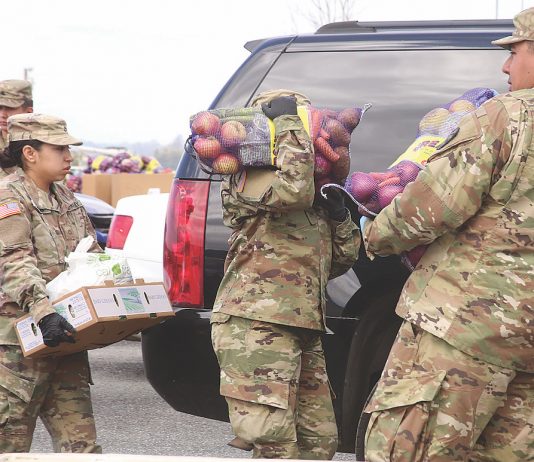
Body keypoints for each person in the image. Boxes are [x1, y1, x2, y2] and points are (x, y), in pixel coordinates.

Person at [359, 7, 534, 461]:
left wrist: (373, 231)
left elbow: (428, 210)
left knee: (411, 449)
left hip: (464, 330)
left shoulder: (506, 116)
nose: (505, 65)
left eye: (514, 51)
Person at [210, 89, 361, 459]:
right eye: (295, 119)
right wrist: (288, 121)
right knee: (274, 443)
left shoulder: (312, 192)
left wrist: (340, 217)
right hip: (256, 323)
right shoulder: (252, 176)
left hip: (303, 326)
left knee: (319, 442)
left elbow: (340, 262)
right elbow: (291, 192)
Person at [0, 113, 102, 453]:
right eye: (59, 148)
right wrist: (44, 314)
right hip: (18, 348)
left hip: (67, 338)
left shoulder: (67, 198)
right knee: (9, 448)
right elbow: (14, 262)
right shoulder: (9, 199)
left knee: (83, 448)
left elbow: (92, 256)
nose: (69, 157)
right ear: (30, 153)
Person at [0, 79, 33, 172]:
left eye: (10, 108)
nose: (2, 114)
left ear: (29, 112)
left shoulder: (41, 147)